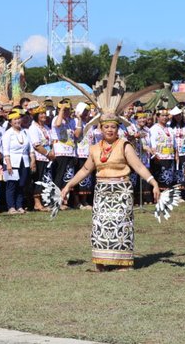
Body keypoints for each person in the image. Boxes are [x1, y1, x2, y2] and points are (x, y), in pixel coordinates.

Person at [61, 113, 160, 272]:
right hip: (102, 191)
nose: (109, 130)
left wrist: (153, 182)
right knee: (100, 227)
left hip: (121, 190)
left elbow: (139, 166)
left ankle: (124, 263)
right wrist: (68, 186)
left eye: (113, 127)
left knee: (121, 225)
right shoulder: (94, 148)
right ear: (100, 129)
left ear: (117, 129)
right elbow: (85, 169)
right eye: (106, 127)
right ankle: (100, 263)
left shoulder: (124, 145)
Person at [2, 108, 36, 214]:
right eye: (14, 119)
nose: (17, 121)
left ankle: (19, 206)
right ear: (10, 122)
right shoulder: (8, 134)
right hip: (12, 162)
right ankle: (11, 207)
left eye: (18, 119)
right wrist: (8, 164)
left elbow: (30, 148)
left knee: (21, 184)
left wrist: (33, 160)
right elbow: (5, 150)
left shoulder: (25, 132)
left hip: (24, 161)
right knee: (11, 185)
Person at [27, 102, 54, 211]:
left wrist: (52, 152)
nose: (44, 115)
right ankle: (37, 203)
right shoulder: (33, 128)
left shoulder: (46, 127)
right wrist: (48, 154)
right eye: (41, 114)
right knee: (38, 180)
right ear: (36, 115)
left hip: (48, 158)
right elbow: (36, 145)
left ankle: (44, 201)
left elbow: (51, 142)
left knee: (46, 180)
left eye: (44, 113)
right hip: (39, 157)